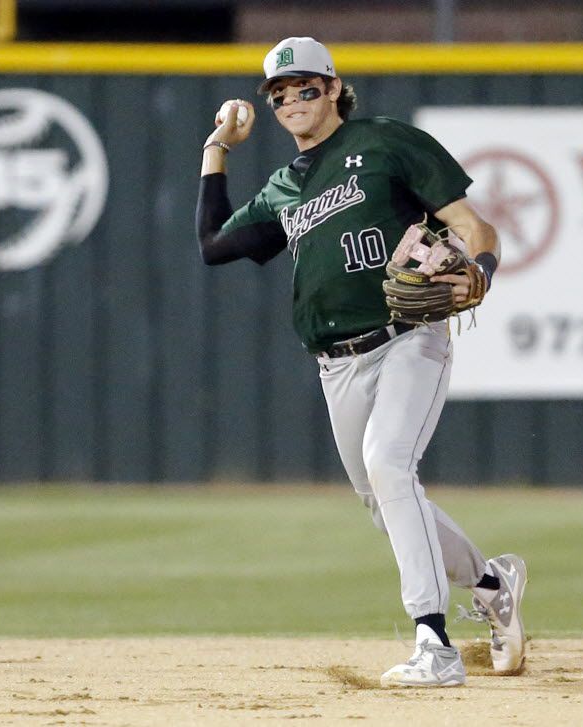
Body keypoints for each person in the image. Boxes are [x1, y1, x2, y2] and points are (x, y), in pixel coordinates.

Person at [195, 36, 527, 688]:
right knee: (385, 501)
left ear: (333, 87)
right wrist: (216, 149)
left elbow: (474, 226)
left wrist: (481, 272)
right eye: (281, 93)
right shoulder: (286, 187)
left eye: (306, 87)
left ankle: (434, 642)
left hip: (410, 336)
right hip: (337, 364)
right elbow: (213, 245)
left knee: (389, 464)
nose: (293, 100)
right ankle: (492, 582)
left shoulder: (385, 143)